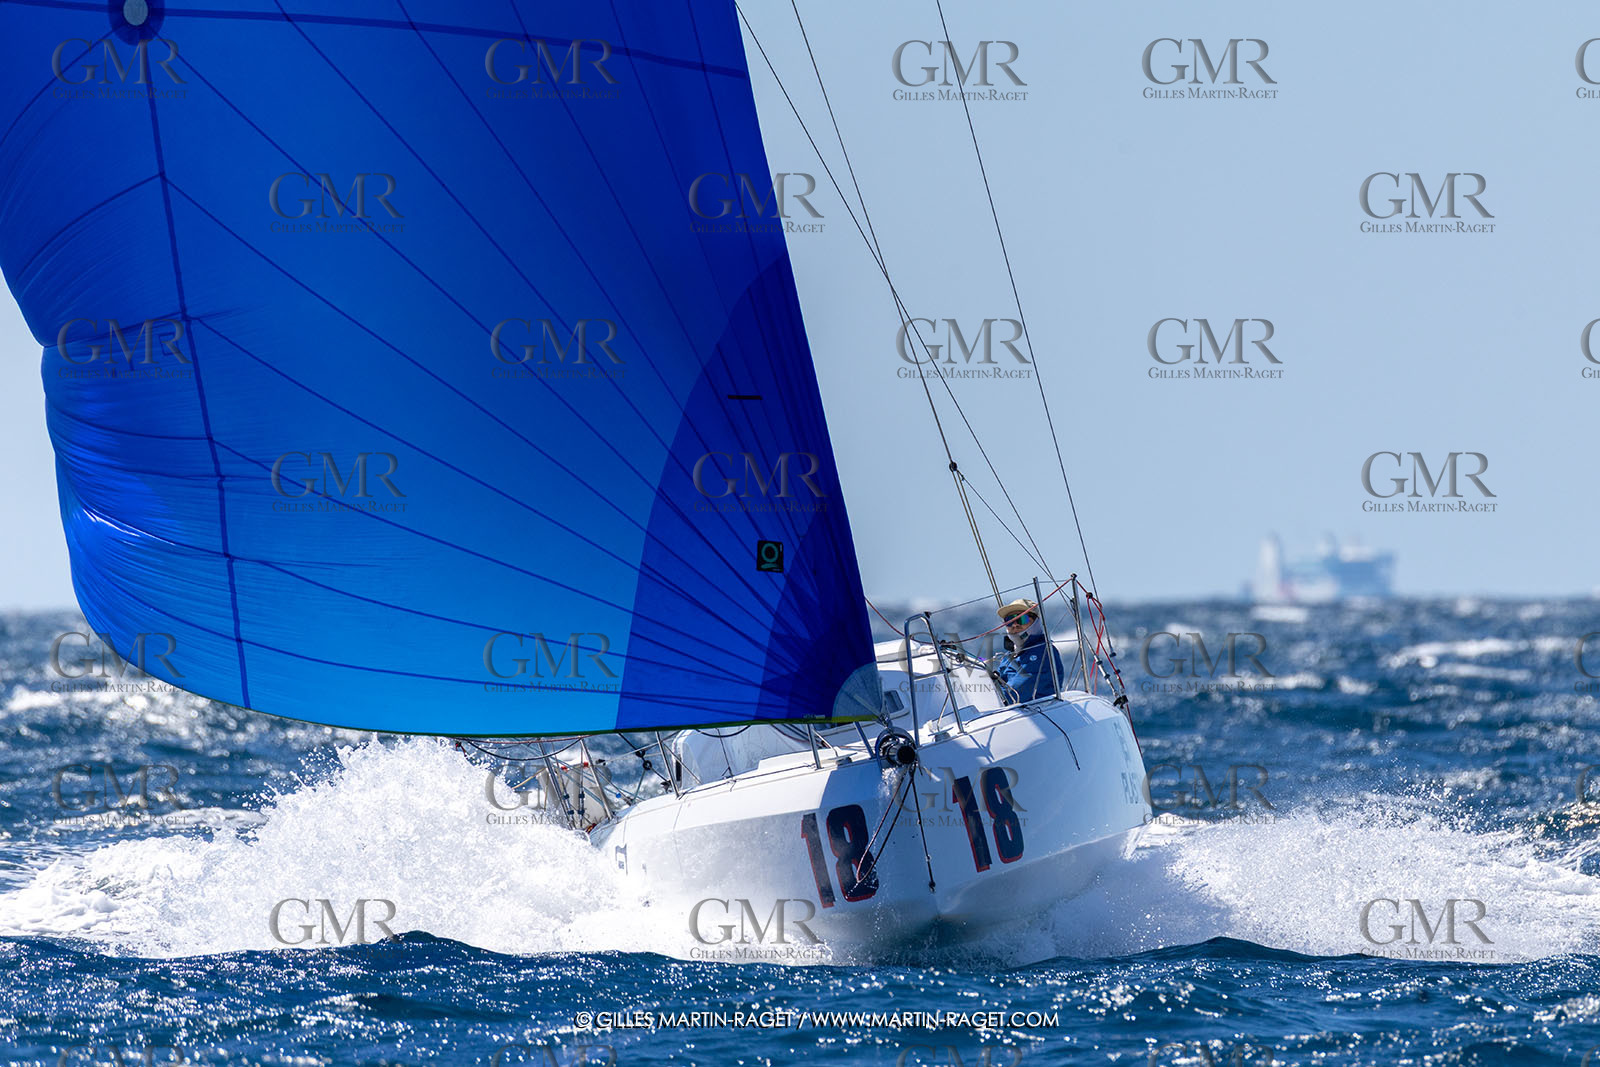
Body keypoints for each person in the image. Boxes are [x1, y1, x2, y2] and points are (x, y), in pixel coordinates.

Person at [990, 598, 1065, 704]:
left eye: (1021, 619)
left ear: (1036, 622)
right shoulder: (1010, 656)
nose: (1015, 625)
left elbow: (1014, 694)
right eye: (1009, 621)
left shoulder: (1043, 652)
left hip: (1038, 715)